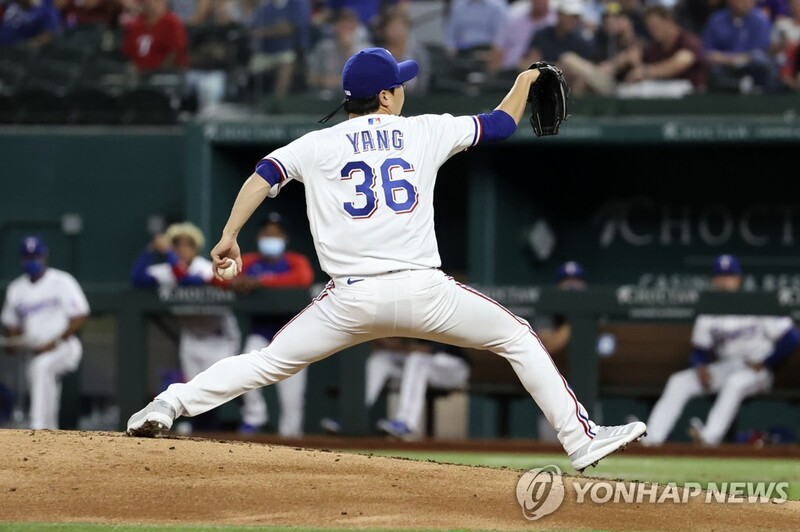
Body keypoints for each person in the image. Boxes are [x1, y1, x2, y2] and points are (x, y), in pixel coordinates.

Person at [125, 45, 647, 474]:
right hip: (425, 290)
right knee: (516, 338)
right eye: (399, 83)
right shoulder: (424, 129)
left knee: (265, 363)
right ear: (385, 95)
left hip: (350, 298)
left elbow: (263, 174)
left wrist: (230, 236)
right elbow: (502, 124)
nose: (403, 90)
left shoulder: (318, 142)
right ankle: (580, 440)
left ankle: (169, 405)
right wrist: (526, 80)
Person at [643, 254, 800, 446]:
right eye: (721, 276)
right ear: (714, 280)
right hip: (726, 367)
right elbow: (700, 349)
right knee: (679, 382)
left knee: (735, 383)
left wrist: (766, 362)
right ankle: (651, 440)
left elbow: (791, 337)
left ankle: (709, 439)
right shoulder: (709, 310)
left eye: (730, 276)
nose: (725, 281)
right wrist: (700, 366)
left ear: (738, 279)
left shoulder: (756, 302)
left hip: (756, 369)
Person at [130, 221, 268, 434]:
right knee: (196, 390)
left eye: (187, 245)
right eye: (177, 244)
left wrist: (169, 255)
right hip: (192, 337)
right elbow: (137, 278)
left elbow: (188, 281)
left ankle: (255, 419)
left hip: (220, 336)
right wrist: (151, 251)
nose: (182, 249)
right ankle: (203, 433)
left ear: (196, 248)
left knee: (229, 382)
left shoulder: (204, 267)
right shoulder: (168, 268)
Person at [226, 212, 315, 437]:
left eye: (276, 234)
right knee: (241, 370)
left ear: (284, 238)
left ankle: (291, 441)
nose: (271, 237)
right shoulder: (250, 261)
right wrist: (235, 283)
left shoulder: (295, 261)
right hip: (262, 333)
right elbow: (217, 280)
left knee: (292, 399)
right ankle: (256, 415)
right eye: (267, 233)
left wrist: (262, 282)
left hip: (292, 335)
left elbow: (303, 278)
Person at [1, 235, 90, 430]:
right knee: (42, 377)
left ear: (44, 257)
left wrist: (54, 341)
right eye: (28, 257)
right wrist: (13, 342)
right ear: (21, 259)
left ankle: (37, 427)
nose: (32, 261)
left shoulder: (61, 281)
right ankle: (50, 432)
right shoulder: (16, 289)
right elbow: (11, 328)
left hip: (64, 346)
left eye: (36, 256)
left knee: (41, 368)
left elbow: (80, 315)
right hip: (34, 349)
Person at [375, 339, 472, 440]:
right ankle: (361, 411)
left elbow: (428, 349)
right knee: (380, 359)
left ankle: (405, 422)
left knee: (416, 359)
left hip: (454, 368)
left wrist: (397, 346)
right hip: (427, 368)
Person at [701, 0, 779, 93]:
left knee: (766, 65)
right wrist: (732, 60)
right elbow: (707, 52)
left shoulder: (761, 20)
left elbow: (760, 52)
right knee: (712, 71)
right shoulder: (716, 20)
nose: (747, 2)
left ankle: (768, 101)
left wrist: (737, 59)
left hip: (753, 68)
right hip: (724, 67)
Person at [246, 0, 311, 100]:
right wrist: (275, 30)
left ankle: (278, 101)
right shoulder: (265, 6)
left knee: (287, 62)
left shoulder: (298, 3)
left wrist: (263, 32)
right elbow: (253, 29)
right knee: (250, 70)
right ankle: (254, 103)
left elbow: (289, 28)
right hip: (264, 51)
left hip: (290, 49)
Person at [488, 0, 557, 76]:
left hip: (538, 73)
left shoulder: (555, 23)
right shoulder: (515, 19)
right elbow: (498, 47)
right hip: (508, 71)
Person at [520, 0, 595, 69]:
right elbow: (530, 62)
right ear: (559, 14)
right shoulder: (543, 34)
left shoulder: (582, 40)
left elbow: (584, 73)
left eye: (576, 17)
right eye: (569, 16)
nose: (573, 20)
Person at [121, 0, 189, 73]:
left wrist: (155, 72)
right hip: (137, 76)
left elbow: (175, 53)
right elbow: (128, 54)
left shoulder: (172, 23)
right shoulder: (135, 24)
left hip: (165, 75)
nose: (150, 4)